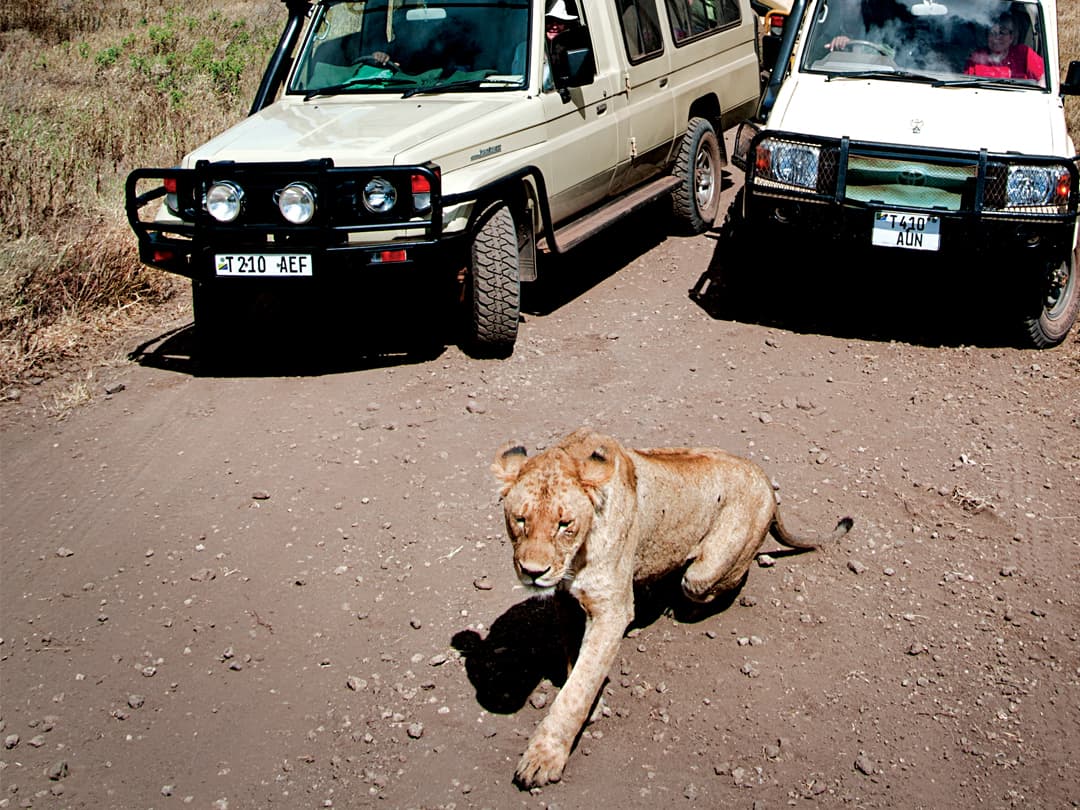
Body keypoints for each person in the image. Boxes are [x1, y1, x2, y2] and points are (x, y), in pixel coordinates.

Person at [964, 13, 1044, 80]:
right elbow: (966, 85)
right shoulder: (976, 58)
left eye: (1002, 32)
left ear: (1011, 37)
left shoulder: (1024, 53)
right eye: (992, 32)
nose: (997, 37)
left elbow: (1046, 76)